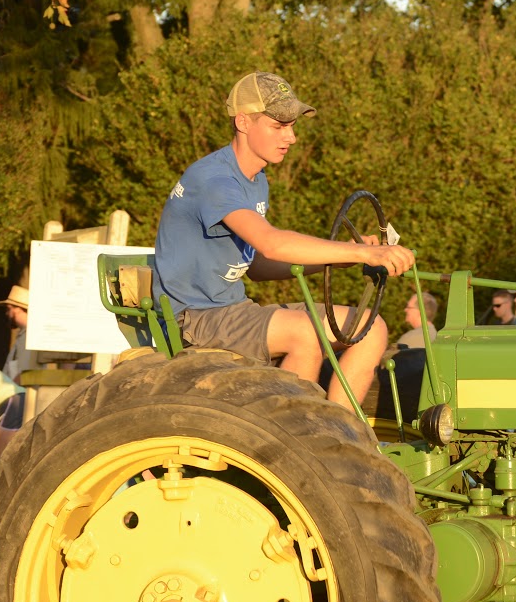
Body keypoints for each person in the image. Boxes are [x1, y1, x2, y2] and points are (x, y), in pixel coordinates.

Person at [151, 72, 414, 406]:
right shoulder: (215, 179)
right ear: (243, 122)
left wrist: (344, 255)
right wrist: (365, 253)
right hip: (196, 318)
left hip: (233, 311)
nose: (291, 137)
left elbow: (258, 265)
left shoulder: (255, 179)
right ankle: (297, 441)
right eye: (278, 126)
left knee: (369, 327)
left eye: (292, 126)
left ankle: (342, 436)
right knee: (306, 334)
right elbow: (272, 243)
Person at [0, 284, 32, 383]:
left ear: (18, 309)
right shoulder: (24, 334)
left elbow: (25, 372)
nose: (7, 313)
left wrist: (10, 393)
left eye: (9, 309)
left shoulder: (29, 337)